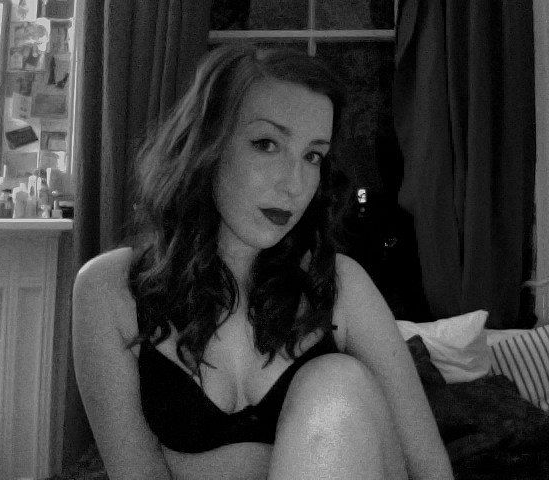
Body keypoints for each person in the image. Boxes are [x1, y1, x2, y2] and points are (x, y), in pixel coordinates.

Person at [72, 44, 453, 480]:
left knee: (335, 380)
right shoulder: (110, 290)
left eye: (313, 155)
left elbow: (430, 469)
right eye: (267, 144)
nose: (295, 184)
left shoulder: (343, 287)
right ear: (207, 144)